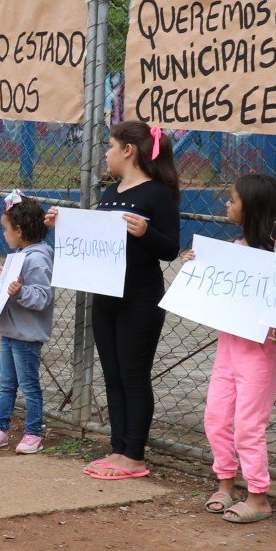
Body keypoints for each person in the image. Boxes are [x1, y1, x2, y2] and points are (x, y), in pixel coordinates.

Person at [53, 120, 181, 481]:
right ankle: (118, 448)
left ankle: (135, 455)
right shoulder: (111, 193)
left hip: (139, 296)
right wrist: (61, 223)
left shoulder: (157, 194)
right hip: (105, 295)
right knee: (113, 376)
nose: (105, 153)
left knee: (134, 376)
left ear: (128, 150)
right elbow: (95, 239)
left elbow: (171, 247)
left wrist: (146, 232)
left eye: (109, 146)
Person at [190, 173, 276, 525]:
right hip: (229, 348)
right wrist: (198, 267)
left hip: (260, 352)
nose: (227, 204)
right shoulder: (237, 249)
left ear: (251, 208)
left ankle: (258, 495)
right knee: (216, 417)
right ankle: (225, 483)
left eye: (233, 200)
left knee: (248, 424)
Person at [0, 197, 55, 454]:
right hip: (10, 331)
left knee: (29, 386)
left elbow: (42, 297)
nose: (3, 234)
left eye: (5, 229)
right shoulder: (20, 256)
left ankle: (33, 433)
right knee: (7, 385)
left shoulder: (38, 259)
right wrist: (5, 282)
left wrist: (19, 291)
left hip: (27, 335)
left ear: (19, 231)